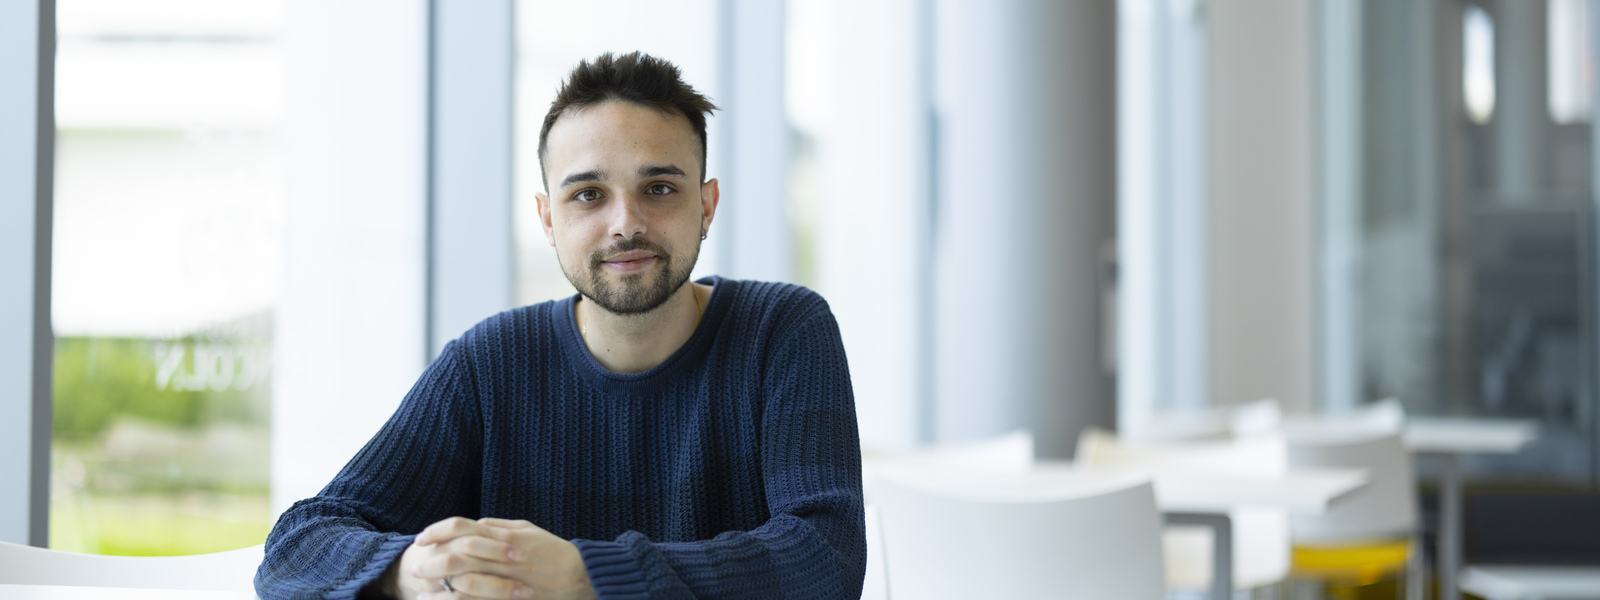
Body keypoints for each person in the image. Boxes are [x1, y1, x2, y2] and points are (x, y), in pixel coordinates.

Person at [254, 51, 866, 600]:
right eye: (588, 195)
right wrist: (410, 571)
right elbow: (300, 544)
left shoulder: (782, 330)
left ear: (706, 206)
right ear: (548, 219)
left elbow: (826, 558)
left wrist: (586, 575)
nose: (625, 223)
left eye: (658, 188)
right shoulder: (490, 362)